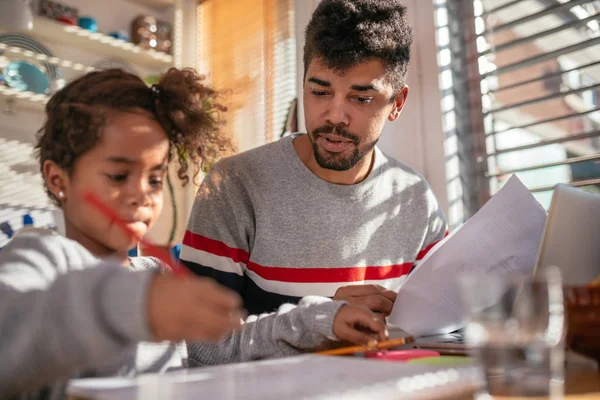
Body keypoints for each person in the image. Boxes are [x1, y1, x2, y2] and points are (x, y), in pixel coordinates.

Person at [0, 68, 387, 399]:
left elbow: (224, 346)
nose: (141, 195)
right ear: (58, 178)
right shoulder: (41, 257)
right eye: (119, 176)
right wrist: (128, 304)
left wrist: (318, 322)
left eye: (154, 178)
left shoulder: (154, 274)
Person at [180, 0, 448, 316]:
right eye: (319, 92)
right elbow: (195, 343)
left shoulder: (414, 199)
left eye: (361, 98)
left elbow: (440, 320)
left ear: (397, 103)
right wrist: (319, 322)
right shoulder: (235, 186)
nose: (335, 117)